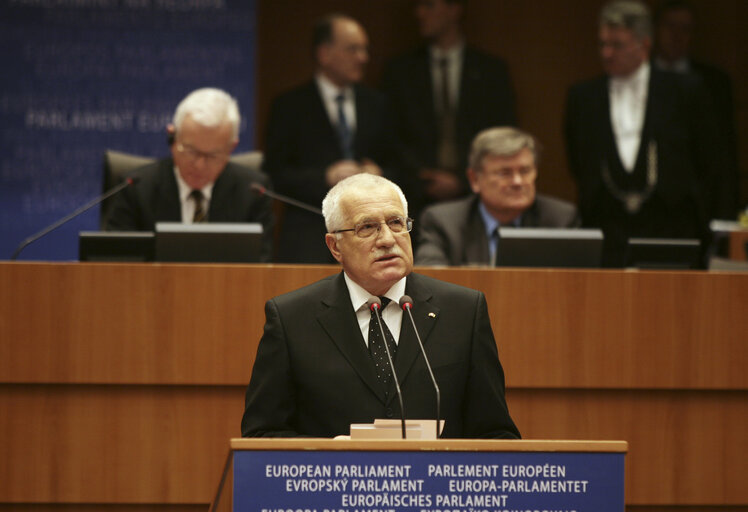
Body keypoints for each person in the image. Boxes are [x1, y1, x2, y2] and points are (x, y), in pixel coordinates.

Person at [241, 173, 520, 439]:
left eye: (396, 223)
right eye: (367, 227)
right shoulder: (292, 319)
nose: (388, 239)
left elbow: (495, 432)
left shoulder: (464, 311)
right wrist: (323, 453)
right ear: (335, 246)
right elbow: (261, 433)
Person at [564, 0, 726, 267]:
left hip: (672, 227)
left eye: (617, 45)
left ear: (645, 45)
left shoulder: (686, 91)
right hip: (607, 229)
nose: (606, 53)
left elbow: (708, 160)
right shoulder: (582, 97)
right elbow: (577, 162)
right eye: (602, 44)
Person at [263, 13, 402, 264]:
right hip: (309, 228)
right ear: (324, 53)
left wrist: (378, 172)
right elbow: (274, 175)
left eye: (364, 50)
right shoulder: (290, 106)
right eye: (353, 49)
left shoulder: (378, 104)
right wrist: (326, 177)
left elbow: (403, 166)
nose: (363, 58)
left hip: (371, 232)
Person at [106, 87, 274, 261]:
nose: (200, 165)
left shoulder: (253, 192)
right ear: (172, 138)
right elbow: (117, 264)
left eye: (212, 155)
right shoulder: (136, 188)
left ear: (231, 148)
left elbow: (261, 268)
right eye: (191, 151)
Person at [382, 0, 516, 215]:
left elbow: (502, 136)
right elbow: (390, 136)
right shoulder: (400, 72)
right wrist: (422, 178)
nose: (420, 13)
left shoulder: (491, 71)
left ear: (454, 10)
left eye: (429, 5)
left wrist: (463, 179)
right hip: (414, 198)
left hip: (478, 196)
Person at [416, 127, 579, 266]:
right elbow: (432, 277)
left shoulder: (560, 219)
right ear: (474, 179)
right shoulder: (444, 222)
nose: (517, 181)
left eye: (525, 171)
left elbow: (580, 286)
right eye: (504, 173)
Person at [652, 0, 739, 219]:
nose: (677, 35)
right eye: (670, 26)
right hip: (648, 201)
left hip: (699, 204)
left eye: (685, 29)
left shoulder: (714, 83)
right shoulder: (636, 79)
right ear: (655, 29)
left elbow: (724, 153)